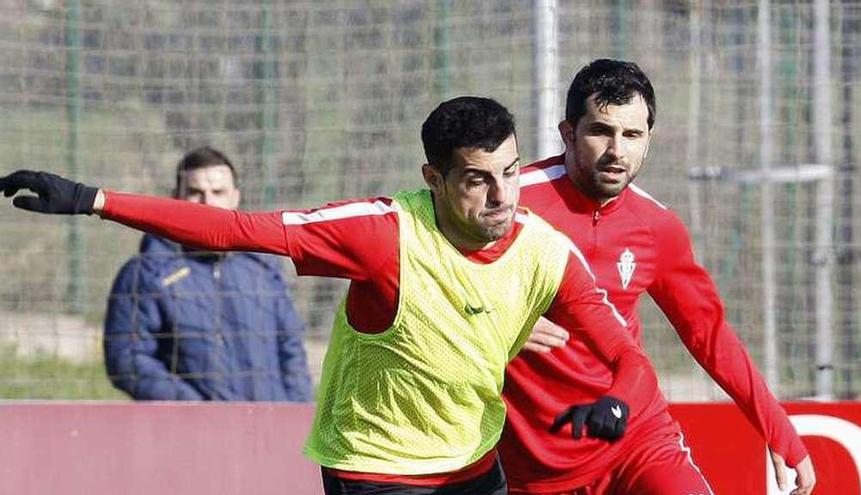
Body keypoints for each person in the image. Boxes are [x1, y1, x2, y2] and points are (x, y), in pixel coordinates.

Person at [0, 96, 660, 495]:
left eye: (511, 173)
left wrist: (615, 404)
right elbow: (236, 229)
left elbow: (630, 361)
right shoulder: (380, 234)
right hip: (374, 468)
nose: (501, 197)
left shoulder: (543, 251)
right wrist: (96, 201)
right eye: (477, 180)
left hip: (473, 464)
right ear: (433, 177)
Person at [501, 59, 816, 495]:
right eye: (601, 132)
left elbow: (708, 332)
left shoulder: (656, 226)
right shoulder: (507, 204)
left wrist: (775, 424)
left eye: (632, 135)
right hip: (529, 464)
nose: (617, 151)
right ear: (568, 133)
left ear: (649, 140)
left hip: (635, 440)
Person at [103, 146, 313, 402]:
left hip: (268, 431)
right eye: (195, 192)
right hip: (193, 434)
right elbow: (126, 358)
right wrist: (195, 408)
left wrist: (295, 415)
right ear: (175, 198)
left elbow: (291, 351)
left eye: (218, 192)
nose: (208, 202)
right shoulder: (147, 273)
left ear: (235, 198)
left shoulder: (263, 268)